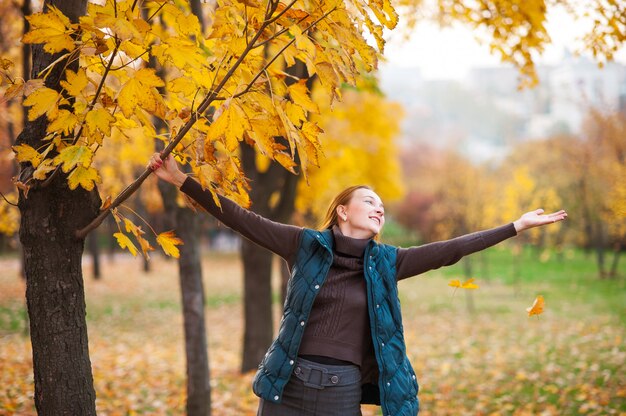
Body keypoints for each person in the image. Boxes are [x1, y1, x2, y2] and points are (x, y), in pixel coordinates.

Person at [148, 153, 567, 416]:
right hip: (286, 384)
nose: (379, 208)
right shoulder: (305, 245)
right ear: (342, 212)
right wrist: (181, 179)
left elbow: (450, 249)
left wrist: (516, 225)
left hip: (340, 391)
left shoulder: (388, 263)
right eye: (369, 201)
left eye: (382, 206)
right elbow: (242, 218)